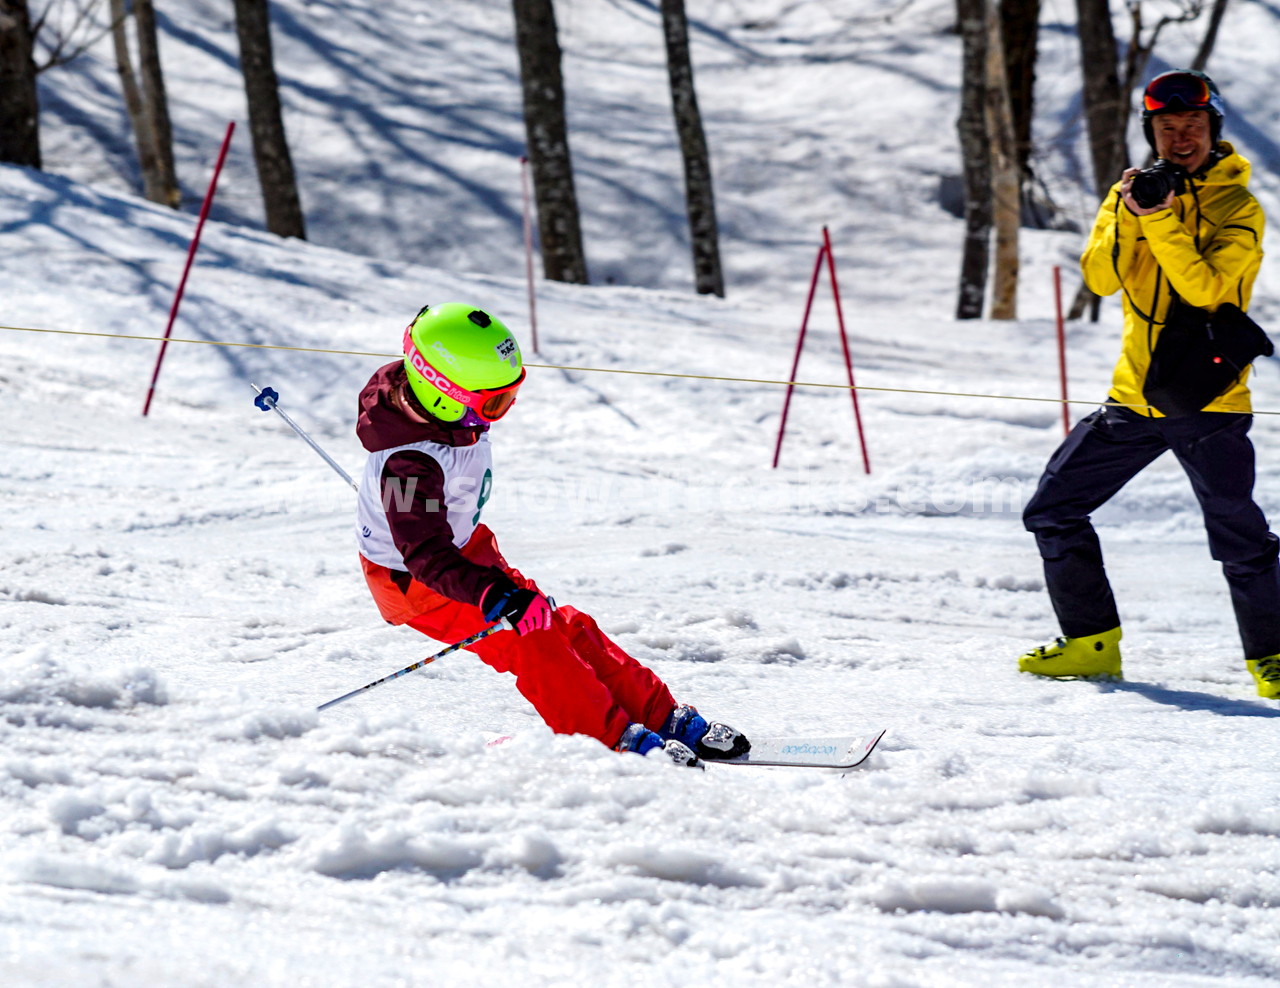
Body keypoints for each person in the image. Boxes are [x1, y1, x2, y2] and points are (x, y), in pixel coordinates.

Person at [353, 301, 751, 764]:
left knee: (563, 627)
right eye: (495, 401)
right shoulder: (408, 467)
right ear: (442, 391)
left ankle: (659, 714)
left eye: (509, 395)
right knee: (532, 642)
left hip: (466, 554)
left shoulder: (452, 416)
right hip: (418, 581)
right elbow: (423, 553)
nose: (504, 409)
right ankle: (609, 742)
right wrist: (492, 594)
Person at [1018, 69, 1280, 699]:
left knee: (1239, 539)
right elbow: (1102, 279)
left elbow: (1209, 291)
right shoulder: (1130, 193)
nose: (1181, 137)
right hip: (1134, 399)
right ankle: (1091, 644)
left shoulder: (1237, 207)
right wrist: (1131, 213)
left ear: (1213, 128)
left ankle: (1272, 661)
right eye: (1167, 128)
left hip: (1207, 401)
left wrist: (1161, 221)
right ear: (1153, 133)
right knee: (1052, 510)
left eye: (1192, 125)